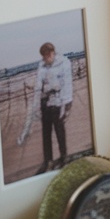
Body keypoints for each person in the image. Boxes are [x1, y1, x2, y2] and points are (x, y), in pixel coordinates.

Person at [21, 42, 73, 175]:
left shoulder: (64, 63)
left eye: (47, 54)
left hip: (58, 103)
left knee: (60, 131)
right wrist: (36, 107)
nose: (46, 57)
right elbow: (38, 88)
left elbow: (67, 85)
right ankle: (48, 160)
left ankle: (64, 157)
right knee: (46, 134)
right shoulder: (42, 66)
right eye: (43, 55)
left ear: (52, 52)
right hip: (46, 104)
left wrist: (67, 105)